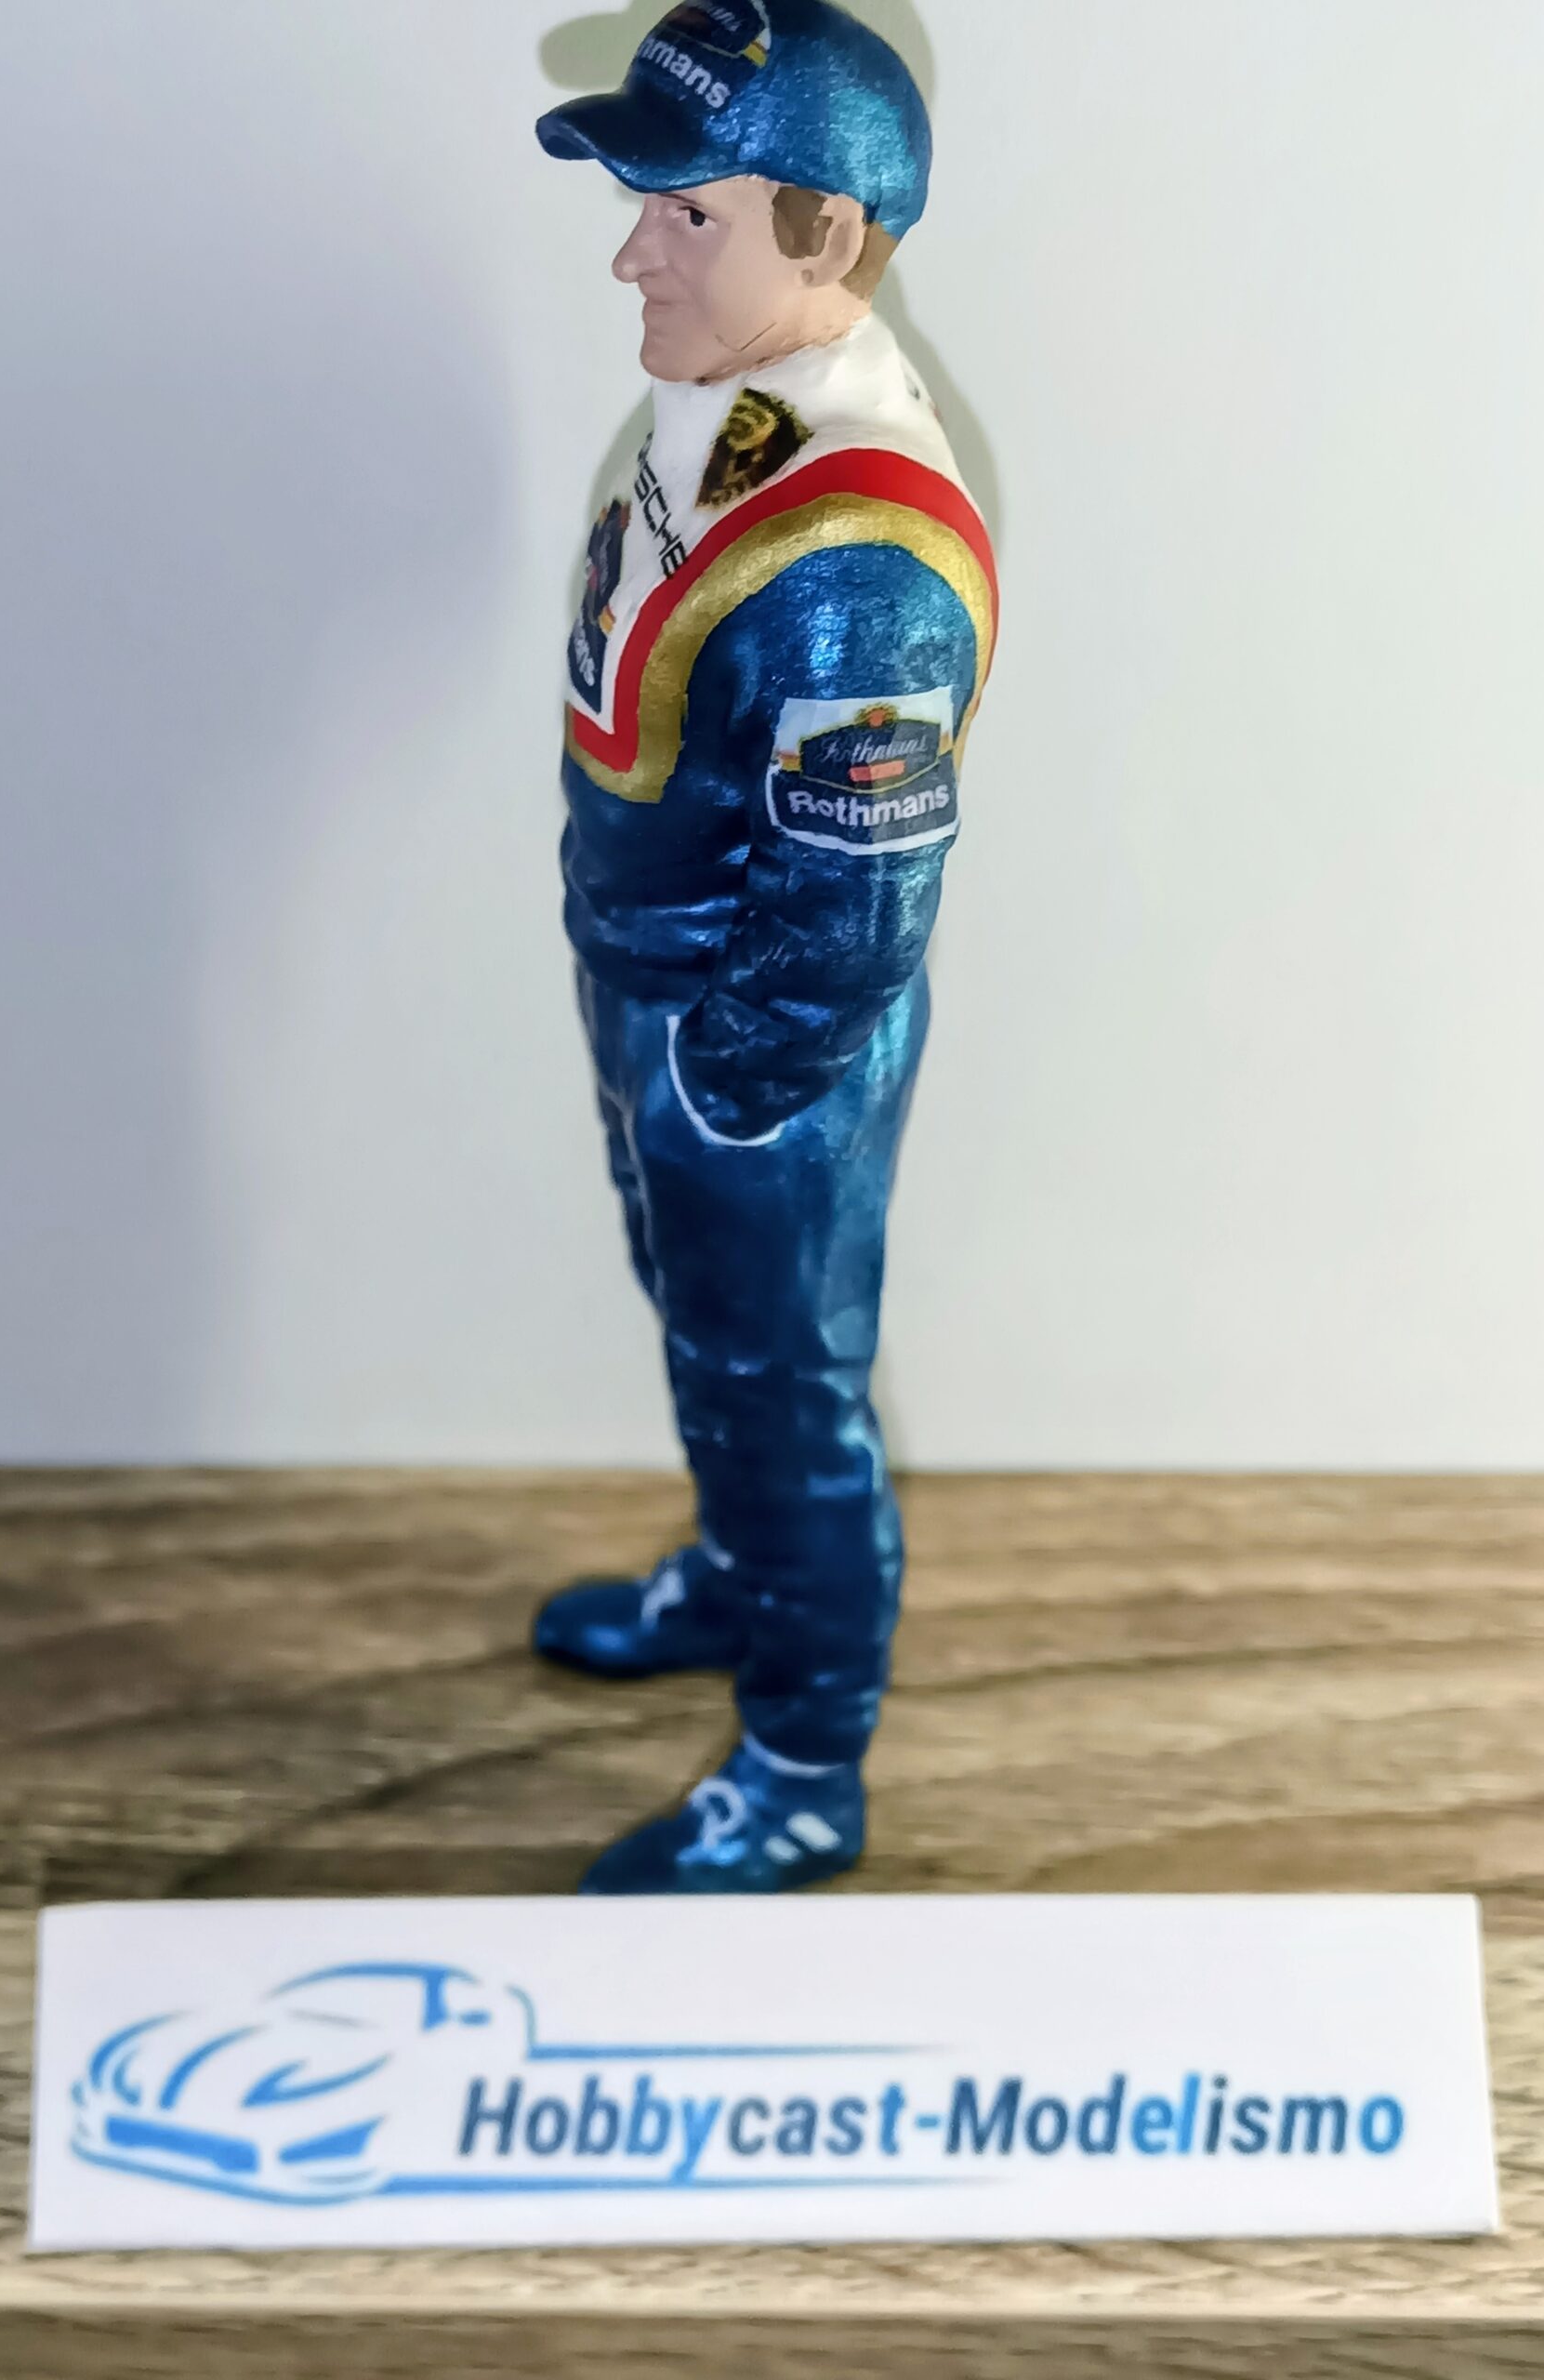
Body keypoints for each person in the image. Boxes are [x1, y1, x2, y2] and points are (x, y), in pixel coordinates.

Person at [534, 0, 996, 1893]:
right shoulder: (737, 407)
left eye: (690, 216)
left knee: (784, 1388)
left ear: (832, 234)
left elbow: (850, 917)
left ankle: (805, 1758)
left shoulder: (863, 564)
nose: (634, 255)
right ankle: (744, 1568)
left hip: (752, 1046)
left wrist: (717, 1086)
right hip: (656, 976)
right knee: (707, 1334)